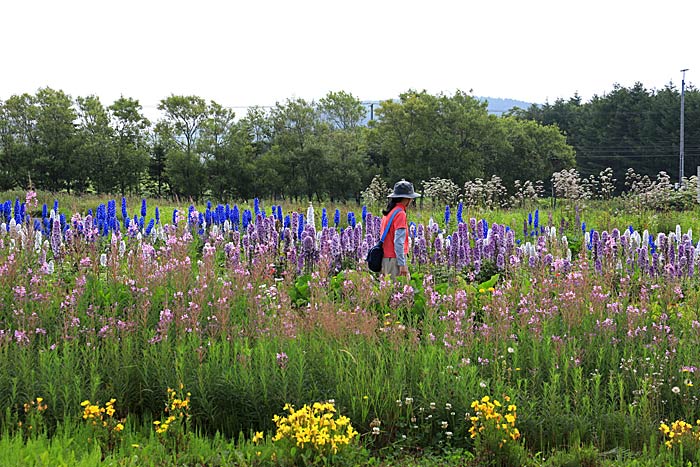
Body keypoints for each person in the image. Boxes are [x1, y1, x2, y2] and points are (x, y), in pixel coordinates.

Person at [380, 179, 421, 280]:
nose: (411, 201)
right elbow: (398, 242)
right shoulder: (400, 214)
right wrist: (402, 265)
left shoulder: (389, 213)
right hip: (395, 261)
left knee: (387, 292)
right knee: (400, 293)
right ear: (406, 199)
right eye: (411, 198)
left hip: (385, 259)